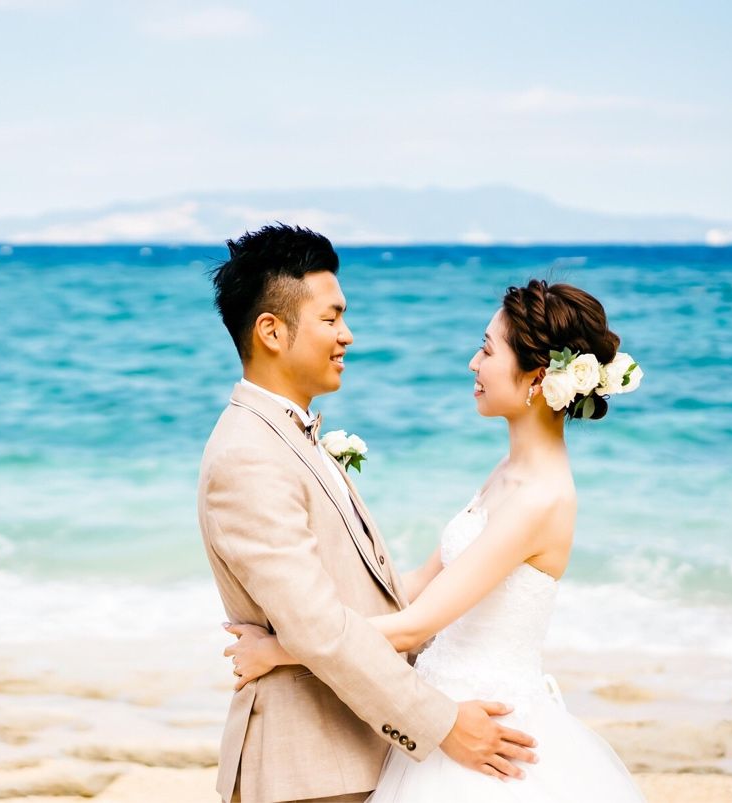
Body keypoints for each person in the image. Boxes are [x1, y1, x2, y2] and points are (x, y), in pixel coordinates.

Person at [224, 278, 648, 802]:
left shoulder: (539, 498)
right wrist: (308, 613)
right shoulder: (509, 471)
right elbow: (420, 584)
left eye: (488, 350)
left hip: (484, 729)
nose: (474, 364)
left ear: (538, 377)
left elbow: (415, 626)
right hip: (444, 708)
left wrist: (280, 650)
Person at [198, 224, 537, 803]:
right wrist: (441, 723)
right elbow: (319, 630)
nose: (347, 335)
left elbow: (362, 598)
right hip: (307, 772)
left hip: (350, 756)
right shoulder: (247, 457)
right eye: (330, 318)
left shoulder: (290, 438)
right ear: (272, 331)